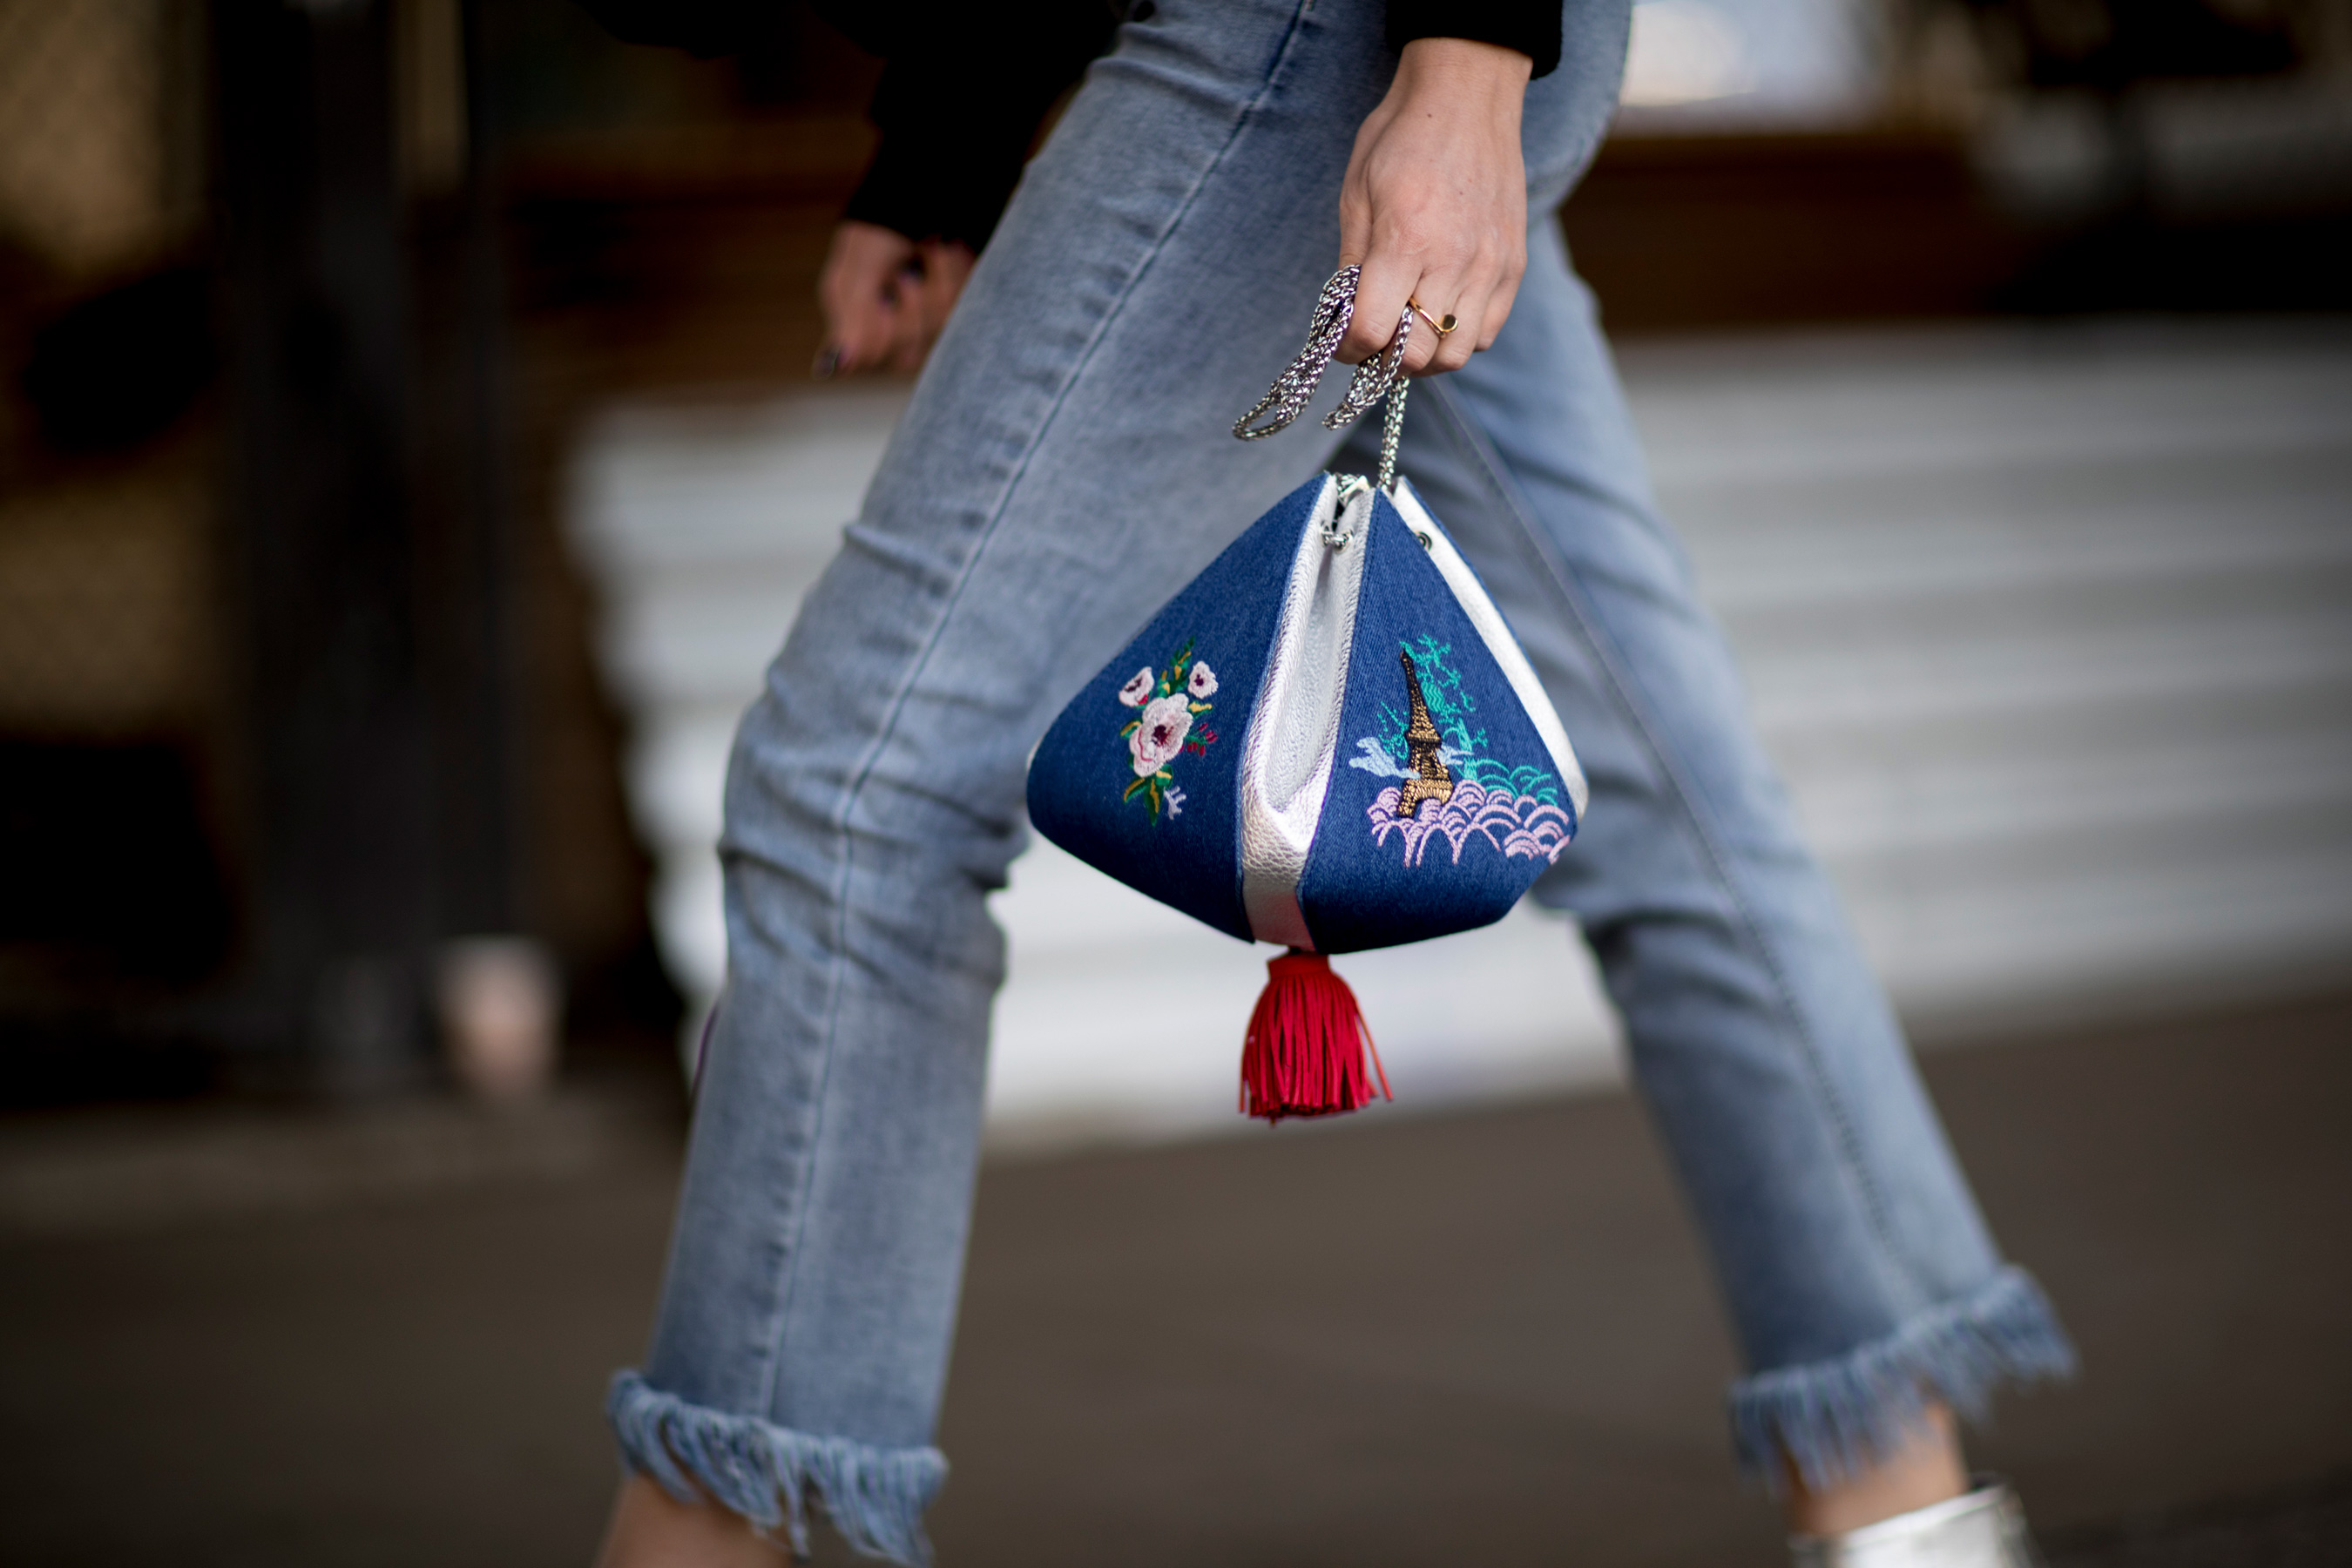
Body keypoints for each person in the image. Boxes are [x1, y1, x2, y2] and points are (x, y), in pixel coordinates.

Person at [584, 2, 2077, 1563]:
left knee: (862, 788)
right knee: (1653, 776)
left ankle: (707, 1535)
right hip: (1390, 51)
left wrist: (1466, 64)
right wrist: (942, 152)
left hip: (1331, 39)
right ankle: (1908, 1513)